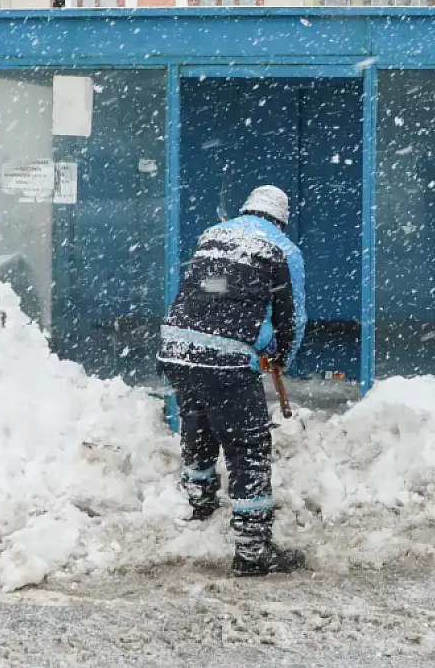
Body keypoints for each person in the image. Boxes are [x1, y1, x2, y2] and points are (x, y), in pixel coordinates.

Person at [158, 185, 309, 576]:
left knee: (198, 422)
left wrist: (247, 329)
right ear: (281, 219)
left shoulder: (213, 235)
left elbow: (212, 290)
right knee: (249, 447)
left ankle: (199, 502)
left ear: (246, 210)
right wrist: (279, 356)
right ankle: (253, 550)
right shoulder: (282, 250)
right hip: (222, 360)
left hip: (177, 348)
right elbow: (292, 317)